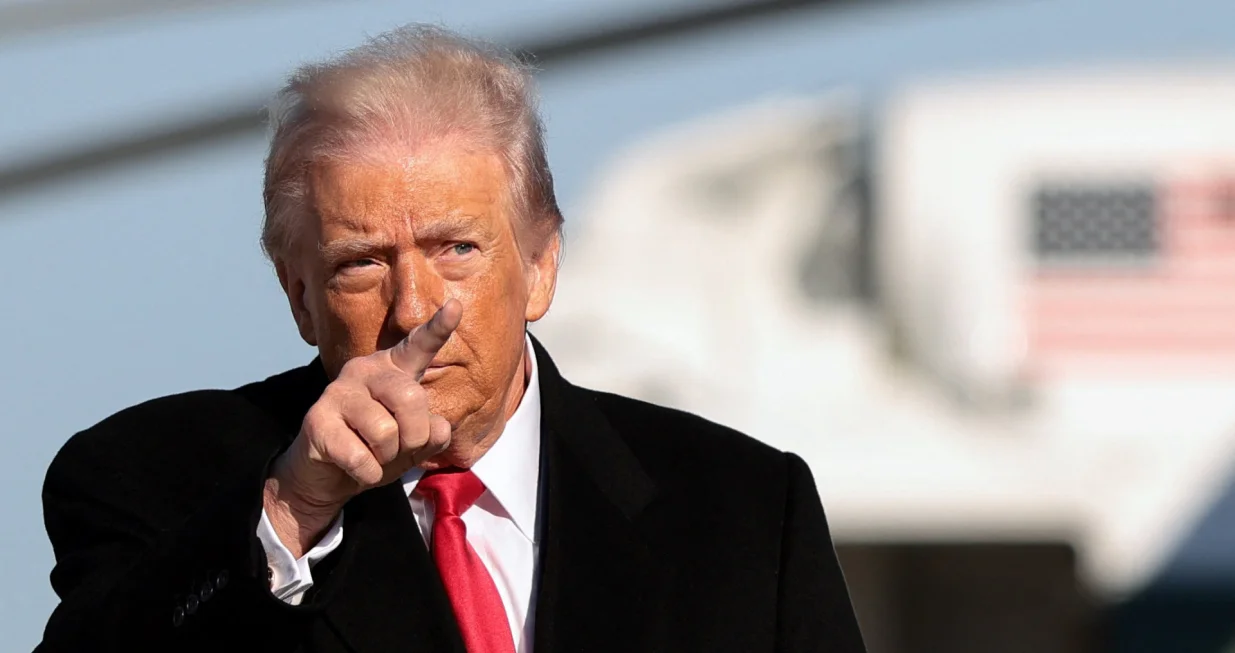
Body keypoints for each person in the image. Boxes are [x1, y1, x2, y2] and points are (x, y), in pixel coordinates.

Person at [36, 24, 865, 653]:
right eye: (361, 263)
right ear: (299, 297)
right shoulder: (152, 478)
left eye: (455, 249)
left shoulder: (744, 510)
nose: (411, 309)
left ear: (539, 266)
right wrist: (291, 509)